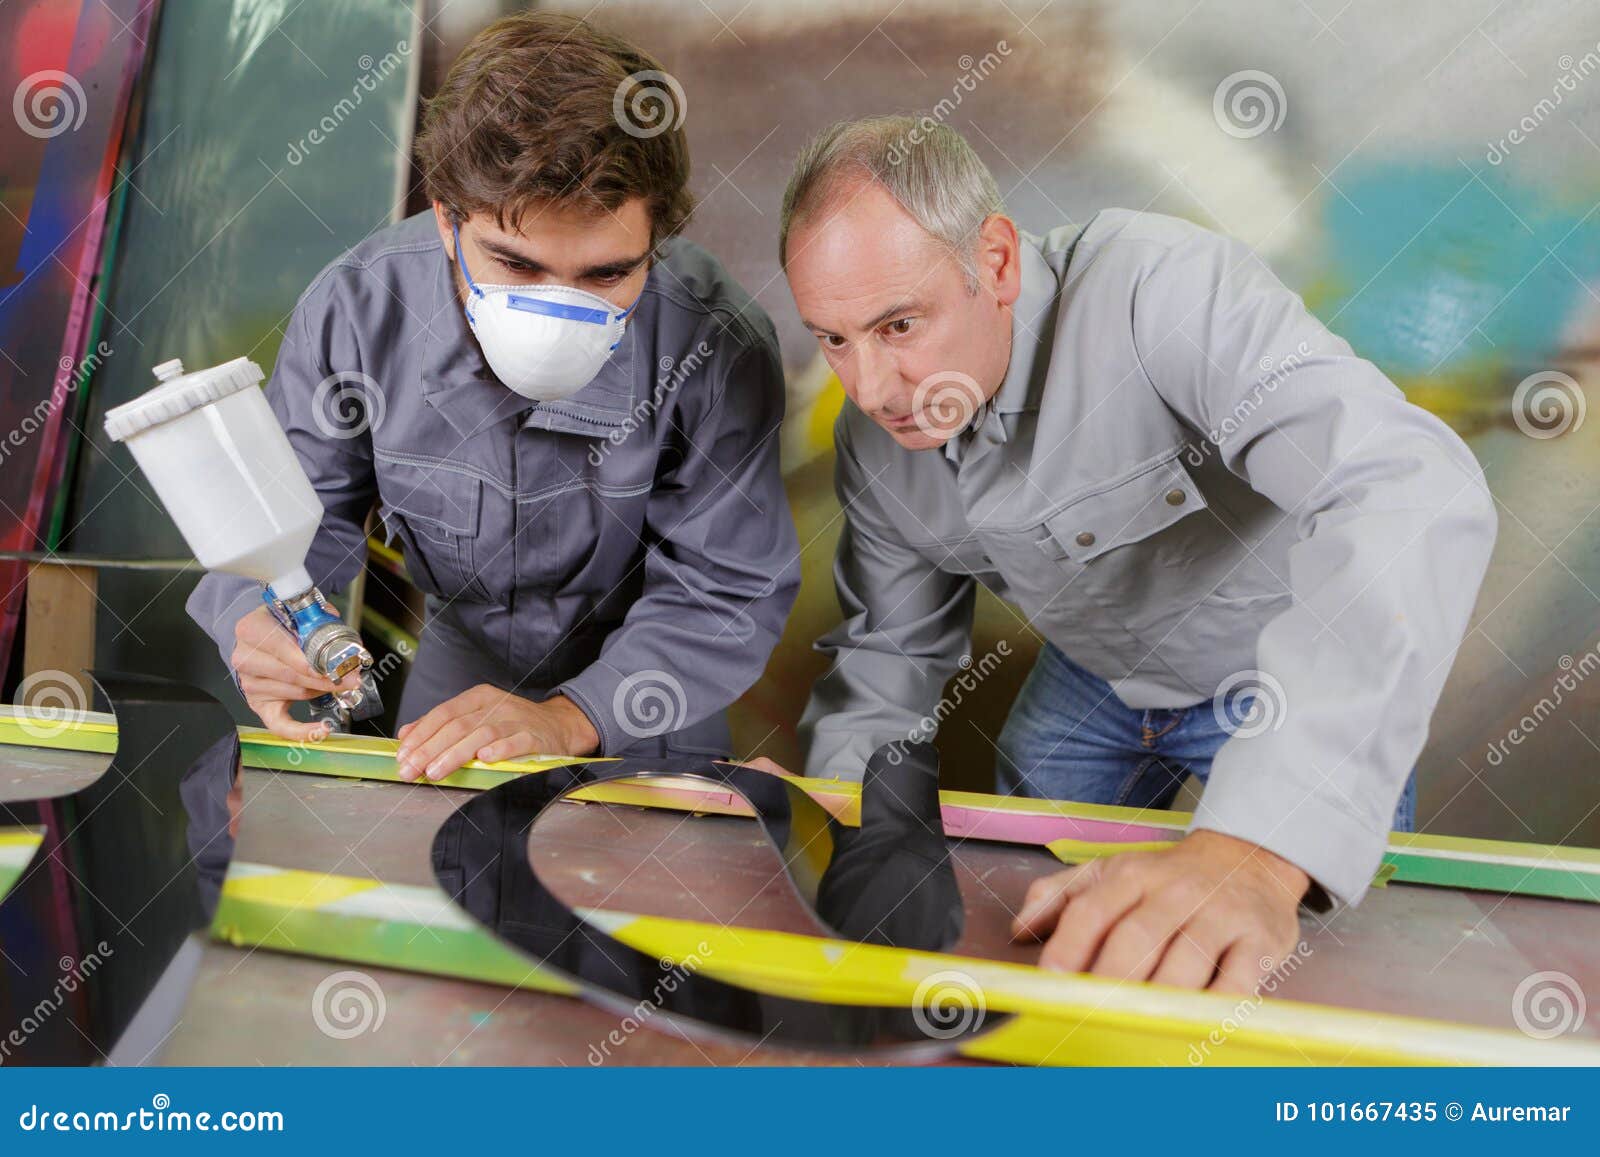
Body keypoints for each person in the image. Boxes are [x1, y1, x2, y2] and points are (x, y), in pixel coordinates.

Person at [763, 116, 1497, 992]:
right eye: (834, 339)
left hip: (1266, 682)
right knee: (1030, 927)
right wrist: (844, 816)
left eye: (899, 325)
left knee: (1296, 966)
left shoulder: (1163, 292)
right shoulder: (872, 441)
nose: (870, 389)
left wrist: (1259, 850)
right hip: (1093, 686)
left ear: (994, 262)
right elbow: (891, 656)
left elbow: (1409, 485)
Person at [188, 13, 798, 782]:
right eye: (516, 263)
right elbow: (296, 511)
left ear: (657, 241)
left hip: (652, 682)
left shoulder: (717, 344)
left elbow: (725, 587)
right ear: (446, 219)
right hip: (461, 665)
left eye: (608, 273)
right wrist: (254, 613)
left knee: (643, 885)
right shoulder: (358, 310)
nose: (557, 312)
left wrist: (573, 717)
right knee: (428, 875)